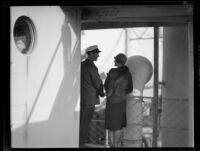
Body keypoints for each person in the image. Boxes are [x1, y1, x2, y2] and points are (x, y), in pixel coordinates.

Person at [104, 53, 133, 147]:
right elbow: (130, 89)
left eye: (115, 59)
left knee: (111, 125)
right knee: (119, 124)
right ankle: (116, 144)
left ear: (118, 61)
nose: (114, 61)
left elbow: (105, 85)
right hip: (121, 102)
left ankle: (112, 144)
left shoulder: (112, 72)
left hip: (111, 102)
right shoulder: (127, 74)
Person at [79, 45, 105, 147]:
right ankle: (80, 145)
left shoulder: (82, 65)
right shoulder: (91, 67)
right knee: (84, 125)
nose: (98, 55)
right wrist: (102, 93)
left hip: (82, 98)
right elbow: (97, 82)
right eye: (97, 53)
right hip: (89, 100)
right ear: (92, 54)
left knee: (80, 124)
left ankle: (78, 143)